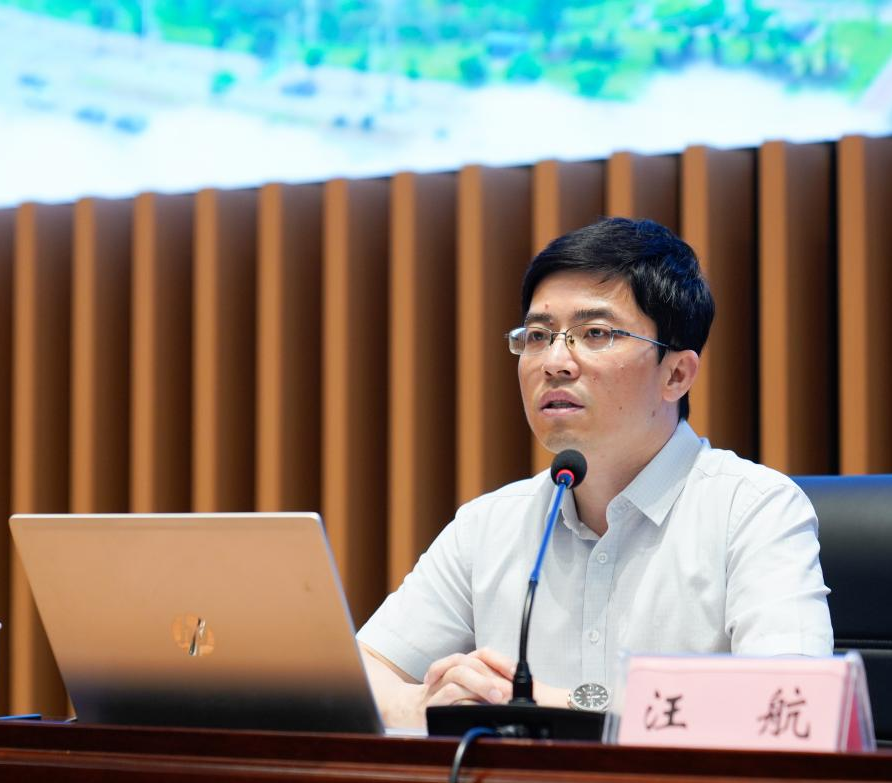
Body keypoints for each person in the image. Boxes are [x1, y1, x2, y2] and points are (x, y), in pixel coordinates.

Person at [357, 217, 832, 728]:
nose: (555, 361)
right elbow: (355, 678)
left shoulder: (754, 510)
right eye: (538, 336)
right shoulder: (489, 525)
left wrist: (552, 706)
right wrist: (424, 706)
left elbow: (793, 709)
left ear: (676, 373)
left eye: (596, 333)